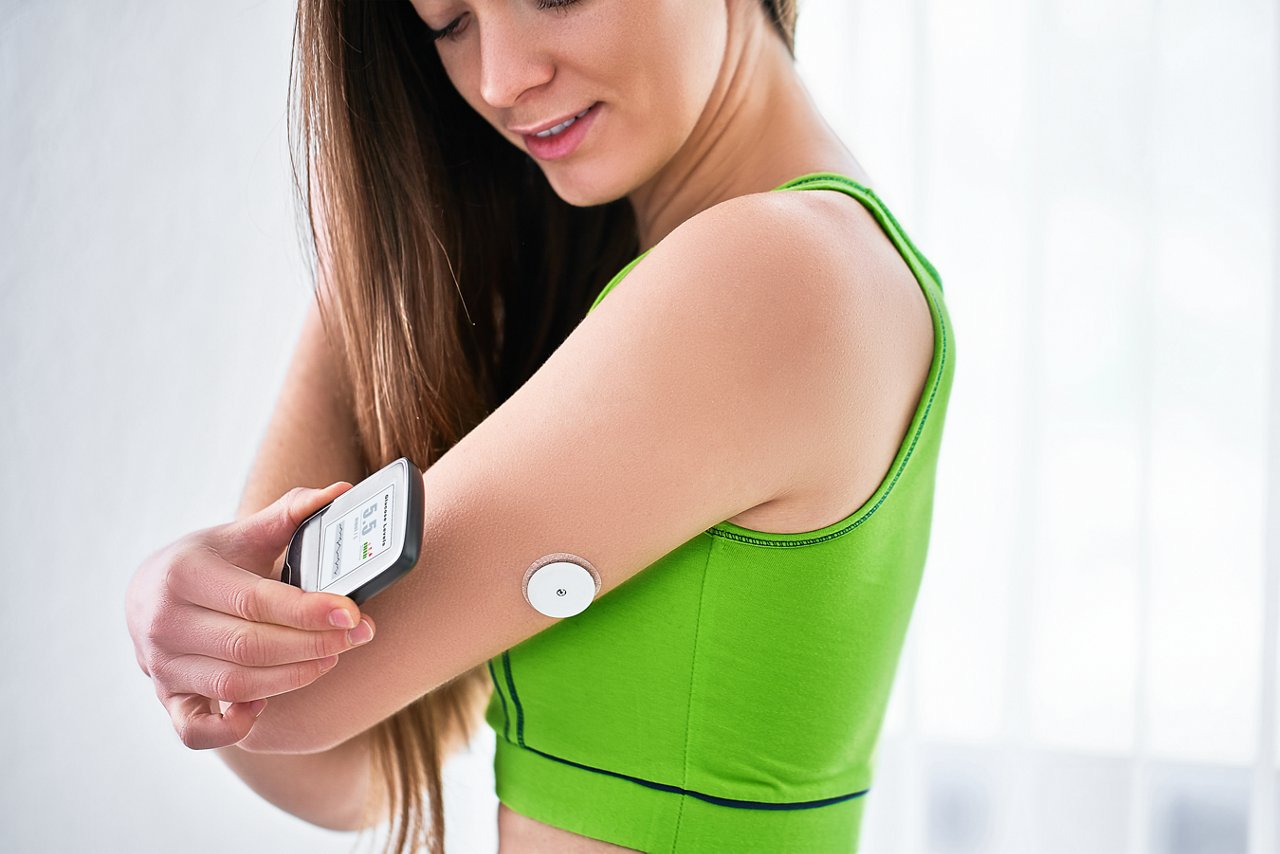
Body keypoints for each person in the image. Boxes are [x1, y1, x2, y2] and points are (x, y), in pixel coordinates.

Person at [124, 0, 957, 851]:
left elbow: (269, 703)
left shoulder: (764, 279)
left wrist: (388, 216)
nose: (499, 80)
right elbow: (356, 774)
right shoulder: (797, 263)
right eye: (449, 24)